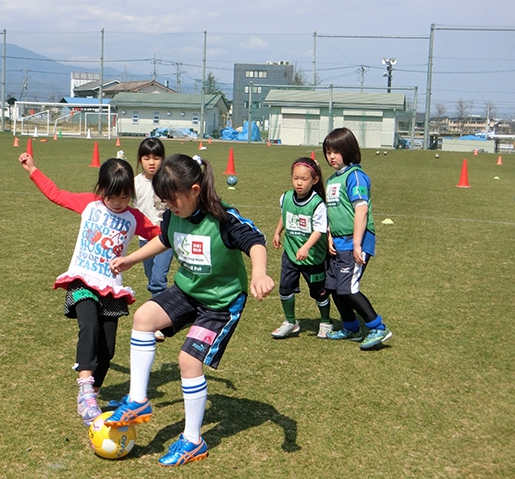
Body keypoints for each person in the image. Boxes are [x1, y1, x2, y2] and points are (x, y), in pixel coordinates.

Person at [107, 153, 274, 467]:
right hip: (187, 290)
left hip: (221, 303)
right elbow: (164, 240)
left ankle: (193, 441)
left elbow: (255, 242)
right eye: (165, 201)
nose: (169, 206)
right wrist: (132, 258)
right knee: (143, 317)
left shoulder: (223, 218)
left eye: (173, 199)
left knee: (188, 360)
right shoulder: (173, 215)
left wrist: (260, 273)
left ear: (195, 191)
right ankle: (138, 400)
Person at [18, 153, 160, 426]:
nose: (118, 203)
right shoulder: (90, 205)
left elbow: (160, 234)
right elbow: (56, 194)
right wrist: (33, 169)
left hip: (112, 288)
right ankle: (84, 387)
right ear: (101, 189)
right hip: (83, 280)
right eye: (112, 196)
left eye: (124, 197)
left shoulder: (134, 218)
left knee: (107, 349)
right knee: (90, 327)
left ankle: (92, 396)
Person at [322, 127, 392, 350]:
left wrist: (357, 244)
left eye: (336, 151)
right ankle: (351, 327)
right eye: (328, 152)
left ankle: (378, 327)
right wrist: (330, 235)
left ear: (348, 150)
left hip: (356, 241)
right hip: (339, 242)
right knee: (333, 287)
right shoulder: (333, 179)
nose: (331, 156)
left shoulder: (355, 176)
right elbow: (334, 211)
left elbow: (360, 211)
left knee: (349, 288)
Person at [271, 157, 332, 339]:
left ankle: (326, 321)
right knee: (284, 288)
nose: (299, 182)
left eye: (304, 179)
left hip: (313, 256)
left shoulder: (318, 204)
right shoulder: (286, 197)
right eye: (295, 178)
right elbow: (285, 215)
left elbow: (319, 230)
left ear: (314, 180)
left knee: (318, 292)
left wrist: (306, 247)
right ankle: (290, 322)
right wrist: (277, 232)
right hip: (291, 254)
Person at [133, 137, 173, 342]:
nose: (151, 162)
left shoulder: (168, 182)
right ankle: (166, 312)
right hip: (145, 239)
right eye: (146, 157)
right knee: (151, 280)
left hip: (166, 239)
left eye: (156, 158)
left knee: (158, 279)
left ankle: (158, 323)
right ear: (140, 160)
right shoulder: (135, 183)